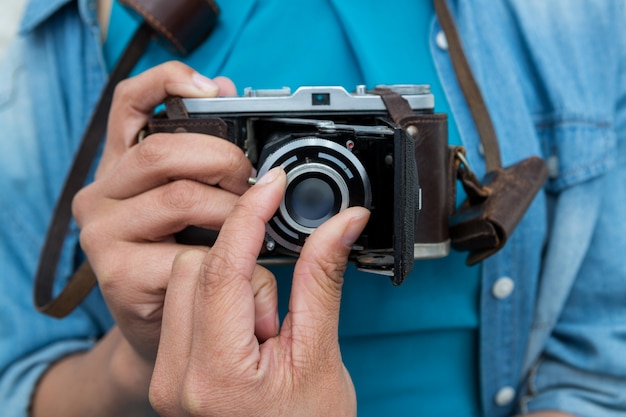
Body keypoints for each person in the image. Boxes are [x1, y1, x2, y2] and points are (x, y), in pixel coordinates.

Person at [0, 0, 624, 416]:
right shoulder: (80, 22)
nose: (313, 197)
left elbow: (599, 368)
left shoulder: (576, 16)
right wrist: (140, 357)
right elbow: (18, 377)